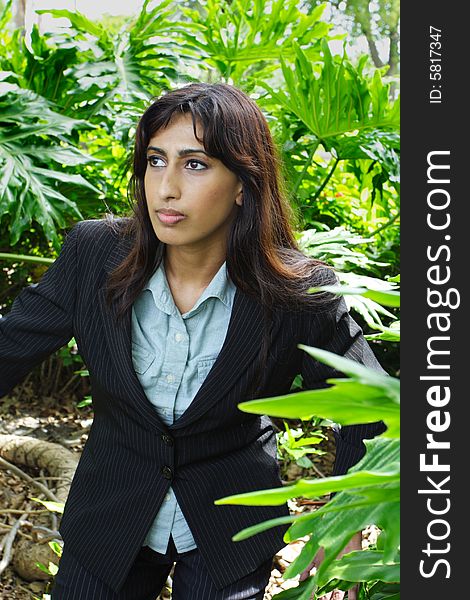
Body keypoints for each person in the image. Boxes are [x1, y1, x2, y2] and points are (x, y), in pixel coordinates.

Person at [0, 83, 386, 600]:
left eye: (196, 164)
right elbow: (9, 346)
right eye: (155, 160)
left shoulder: (298, 292)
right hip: (110, 515)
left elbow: (369, 404)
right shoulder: (94, 256)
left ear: (244, 184)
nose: (166, 188)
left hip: (228, 526)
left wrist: (345, 518)